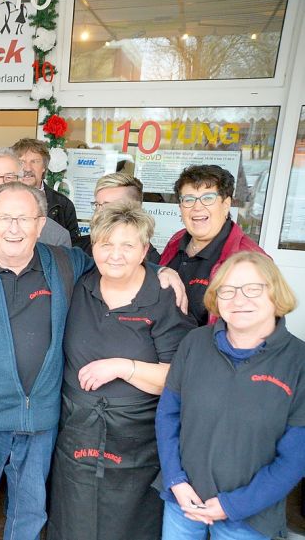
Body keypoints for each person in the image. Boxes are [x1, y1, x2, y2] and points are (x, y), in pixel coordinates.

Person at [0, 182, 184, 540]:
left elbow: (116, 258)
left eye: (25, 218)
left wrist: (161, 269)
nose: (15, 228)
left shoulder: (66, 264)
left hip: (43, 416)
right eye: (5, 218)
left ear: (40, 224)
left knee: (31, 506)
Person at [47, 202, 196, 540]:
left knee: (126, 525)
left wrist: (122, 367)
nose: (115, 254)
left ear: (145, 249)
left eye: (128, 245)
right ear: (93, 246)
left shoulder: (162, 296)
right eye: (106, 244)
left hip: (136, 442)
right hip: (76, 432)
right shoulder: (78, 286)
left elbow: (179, 378)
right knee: (73, 520)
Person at [156, 251, 305, 540]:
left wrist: (233, 505)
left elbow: (296, 457)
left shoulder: (299, 361)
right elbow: (168, 416)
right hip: (184, 502)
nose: (239, 299)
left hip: (250, 516)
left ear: (275, 293)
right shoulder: (194, 344)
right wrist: (176, 481)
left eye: (253, 288)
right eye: (228, 290)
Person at [160, 164, 267, 325]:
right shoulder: (178, 240)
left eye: (208, 198)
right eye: (188, 199)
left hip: (206, 348)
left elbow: (259, 327)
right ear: (180, 207)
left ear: (226, 205)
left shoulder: (250, 258)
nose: (197, 207)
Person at [0, 139, 80, 243]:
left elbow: (72, 248)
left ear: (44, 167)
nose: (27, 168)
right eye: (22, 162)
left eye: (35, 161)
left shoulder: (62, 205)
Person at [77, 172, 161, 263]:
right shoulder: (79, 249)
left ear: (134, 210)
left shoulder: (151, 260)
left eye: (108, 206)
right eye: (97, 205)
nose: (99, 212)